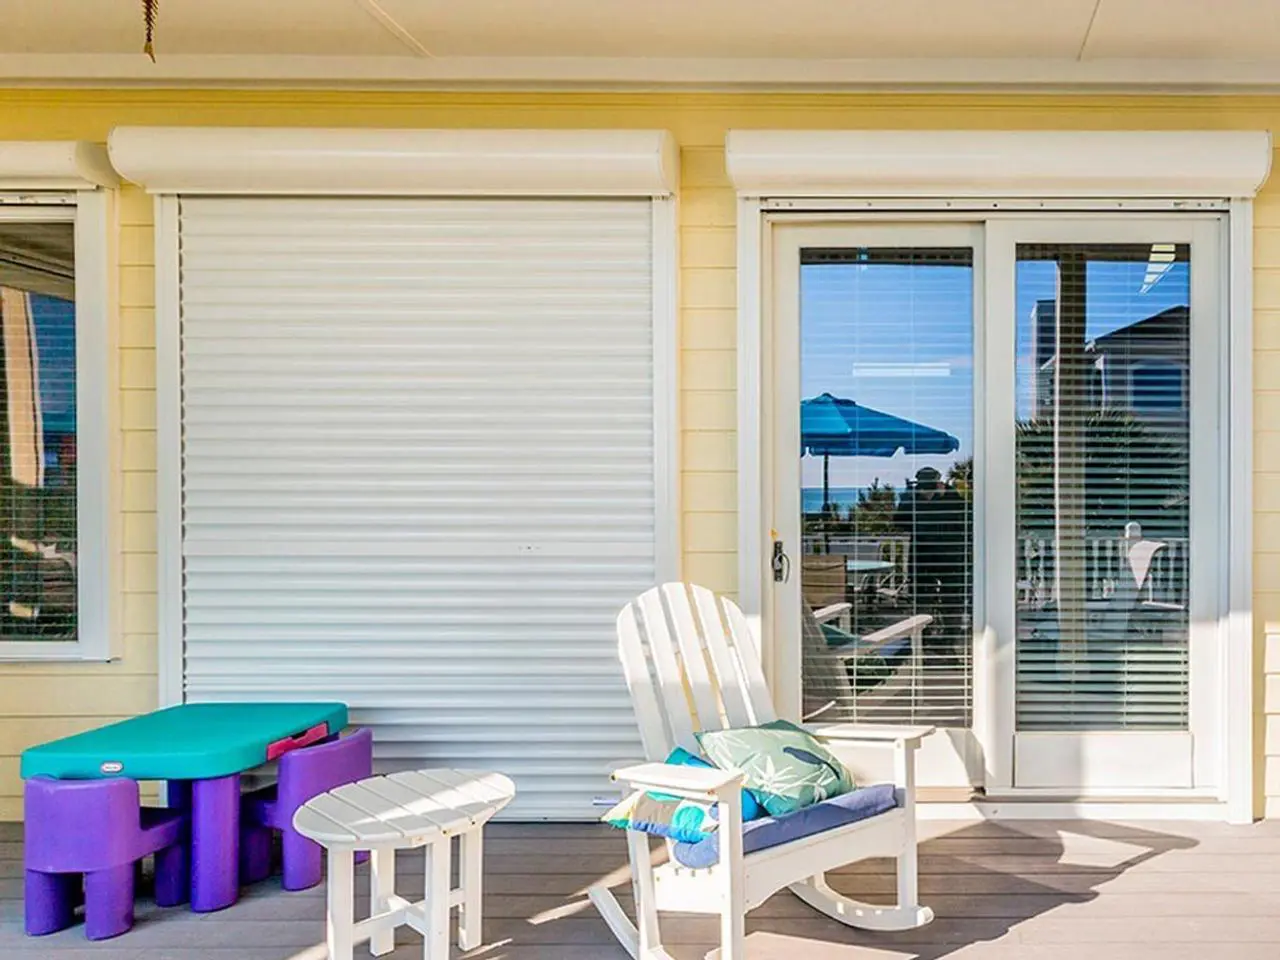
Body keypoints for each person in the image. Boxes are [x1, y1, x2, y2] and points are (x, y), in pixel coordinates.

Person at [894, 466, 968, 647]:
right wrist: (909, 496)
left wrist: (948, 494)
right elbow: (900, 521)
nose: (927, 489)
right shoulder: (913, 499)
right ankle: (922, 636)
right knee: (922, 598)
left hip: (950, 556)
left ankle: (950, 638)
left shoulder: (950, 498)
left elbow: (965, 516)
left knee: (952, 599)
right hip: (923, 556)